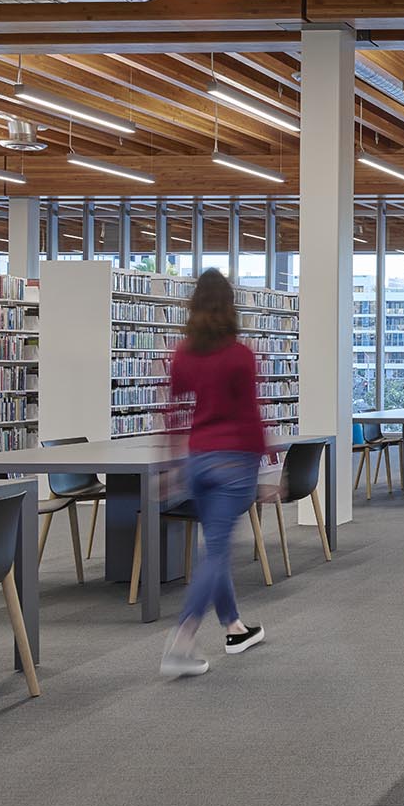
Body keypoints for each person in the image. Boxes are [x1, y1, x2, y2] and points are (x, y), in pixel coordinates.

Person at [160, 270, 271, 678]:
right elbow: (251, 415)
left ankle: (234, 627)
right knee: (217, 550)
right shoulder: (241, 354)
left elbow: (172, 413)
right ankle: (183, 639)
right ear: (229, 307)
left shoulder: (183, 354)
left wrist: (174, 464)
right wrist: (267, 467)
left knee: (215, 544)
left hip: (199, 459)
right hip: (233, 461)